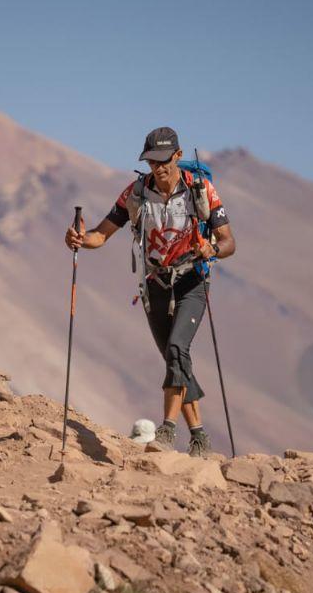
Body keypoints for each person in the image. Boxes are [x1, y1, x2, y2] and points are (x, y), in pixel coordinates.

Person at [64, 127, 236, 456]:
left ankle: (167, 430)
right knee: (175, 359)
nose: (157, 168)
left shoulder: (201, 190)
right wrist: (79, 240)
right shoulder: (136, 192)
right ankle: (199, 436)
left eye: (162, 161)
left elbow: (229, 242)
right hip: (153, 284)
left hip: (191, 281)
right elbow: (101, 234)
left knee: (175, 349)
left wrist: (209, 249)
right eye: (151, 161)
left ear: (177, 156)